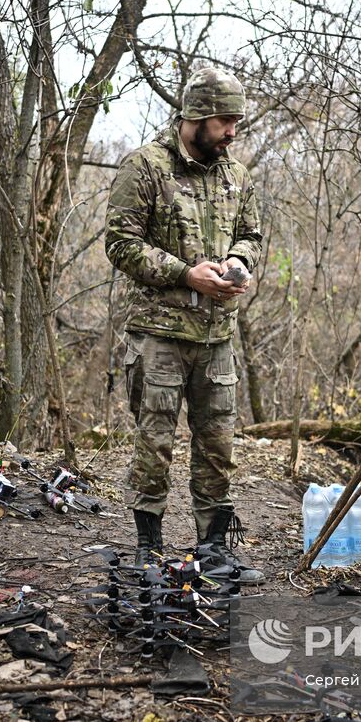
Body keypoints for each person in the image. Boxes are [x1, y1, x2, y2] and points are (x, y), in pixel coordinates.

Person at [104, 67, 264, 583]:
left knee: (217, 445)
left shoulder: (234, 175)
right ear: (195, 117)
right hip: (159, 336)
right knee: (154, 444)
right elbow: (120, 244)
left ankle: (213, 552)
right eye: (224, 122)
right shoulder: (145, 168)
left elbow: (252, 234)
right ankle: (148, 552)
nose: (232, 132)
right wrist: (185, 275)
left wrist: (238, 262)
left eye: (235, 122)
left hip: (218, 336)